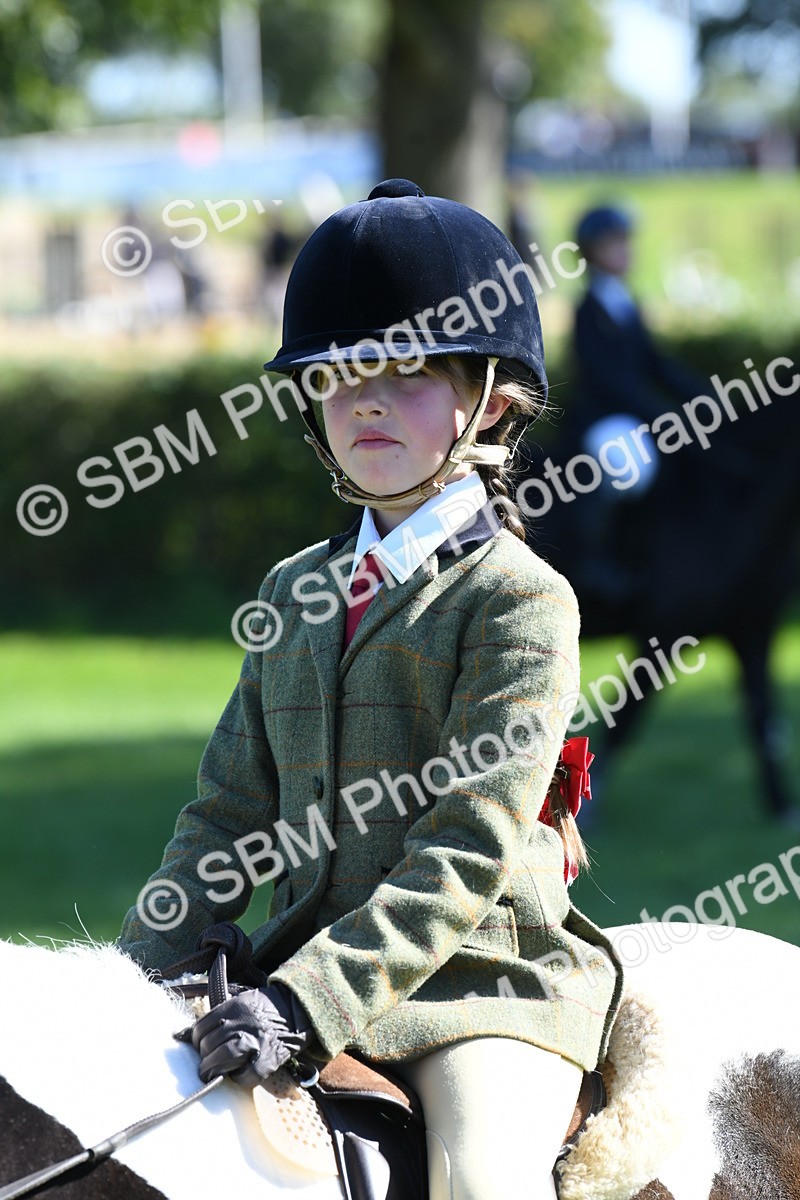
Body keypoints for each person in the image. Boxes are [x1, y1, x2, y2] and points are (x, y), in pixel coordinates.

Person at [118, 178, 623, 1199]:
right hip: (290, 967)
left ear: (494, 397)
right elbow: (225, 815)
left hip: (478, 992)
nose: (369, 400)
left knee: (478, 1185)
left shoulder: (519, 600)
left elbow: (464, 851)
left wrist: (304, 1009)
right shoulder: (294, 589)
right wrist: (127, 979)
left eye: (407, 374)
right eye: (340, 377)